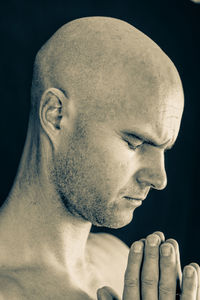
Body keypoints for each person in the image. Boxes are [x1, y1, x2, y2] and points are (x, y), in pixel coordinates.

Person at [0, 16, 198, 299]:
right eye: (135, 142)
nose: (159, 179)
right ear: (56, 115)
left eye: (164, 150)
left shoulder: (123, 264)